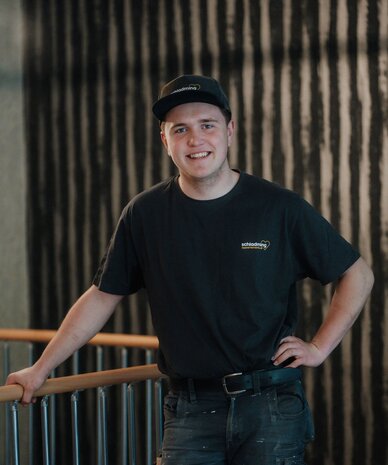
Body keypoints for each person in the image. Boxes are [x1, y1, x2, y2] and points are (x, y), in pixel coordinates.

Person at [7, 75, 374, 464]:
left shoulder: (279, 207)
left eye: (207, 125)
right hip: (190, 410)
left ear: (229, 131)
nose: (195, 139)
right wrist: (40, 368)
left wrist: (318, 347)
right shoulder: (144, 214)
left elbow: (357, 274)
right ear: (165, 141)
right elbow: (101, 295)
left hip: (271, 406)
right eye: (180, 129)